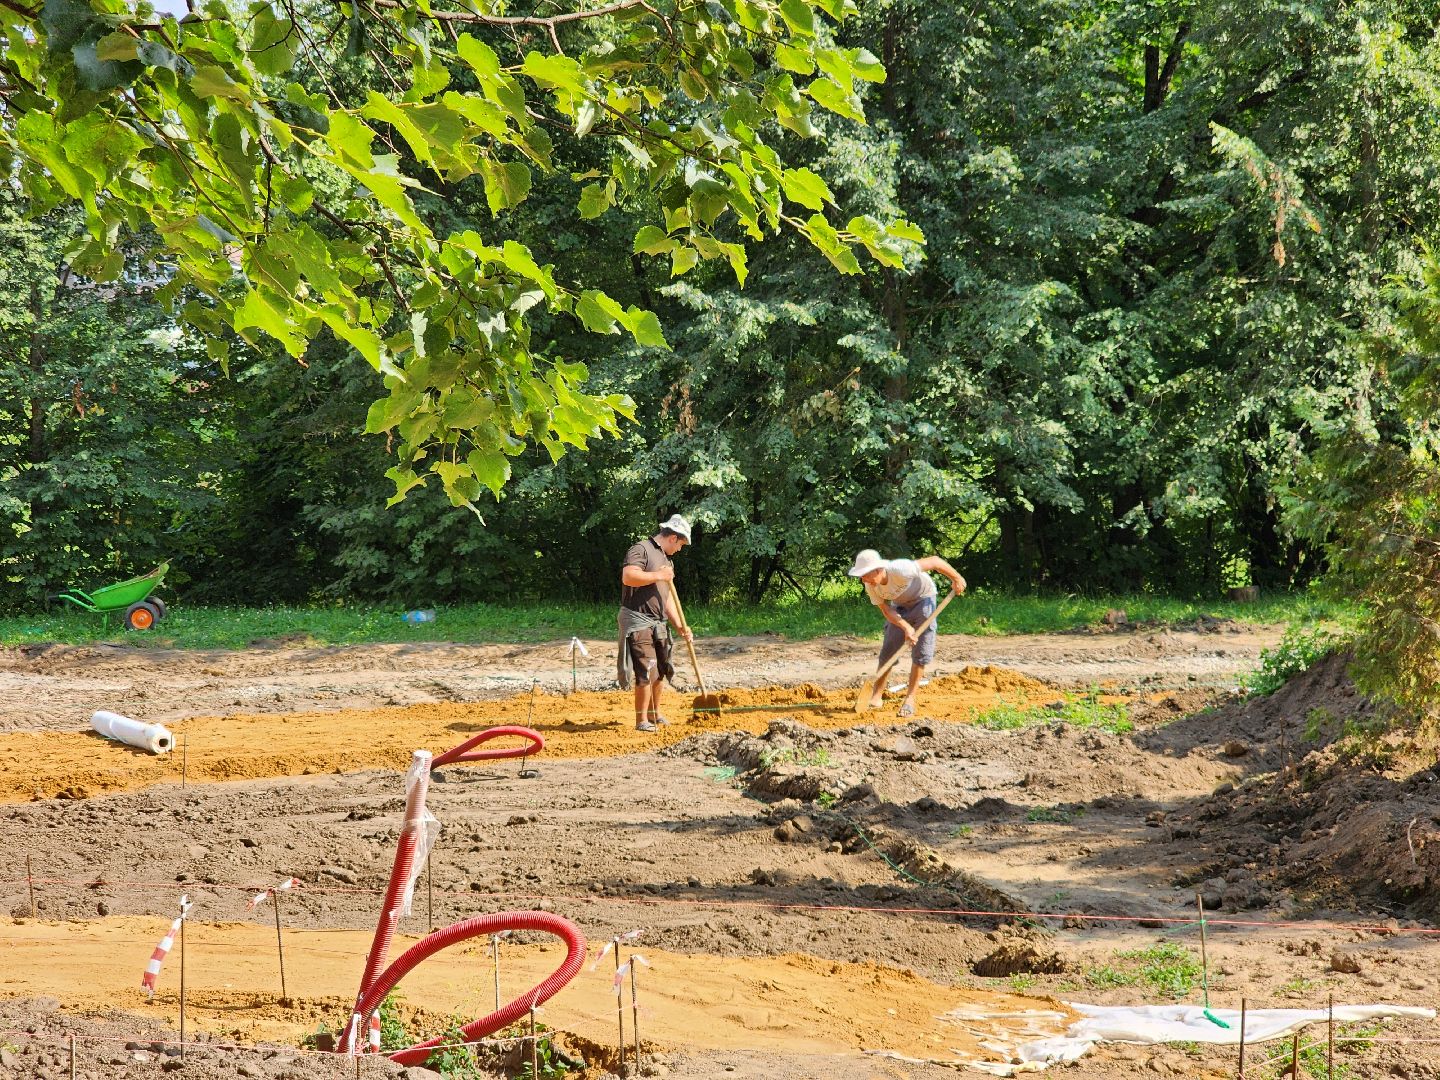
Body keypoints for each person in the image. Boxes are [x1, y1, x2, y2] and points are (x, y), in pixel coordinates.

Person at [849, 549, 966, 717]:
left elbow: (934, 561)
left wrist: (957, 578)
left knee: (921, 651)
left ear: (878, 570)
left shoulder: (900, 568)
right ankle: (876, 695)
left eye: (865, 574)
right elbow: (887, 610)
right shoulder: (870, 585)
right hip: (900, 606)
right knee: (889, 650)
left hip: (924, 599)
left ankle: (910, 698)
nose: (862, 579)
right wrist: (906, 627)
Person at [617, 514, 695, 731]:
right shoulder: (641, 549)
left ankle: (654, 714)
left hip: (658, 621)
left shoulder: (666, 560)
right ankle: (641, 720)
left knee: (661, 668)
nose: (680, 549)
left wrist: (680, 626)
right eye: (681, 544)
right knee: (646, 668)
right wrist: (658, 576)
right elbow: (629, 576)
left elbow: (666, 598)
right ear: (672, 538)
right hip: (638, 619)